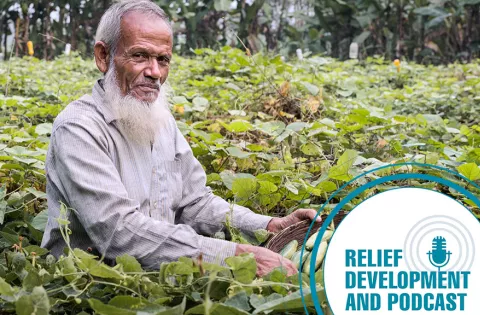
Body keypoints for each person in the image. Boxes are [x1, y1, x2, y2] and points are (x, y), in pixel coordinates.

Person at [40, 0, 320, 277]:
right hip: (91, 286)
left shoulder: (159, 120)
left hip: (162, 276)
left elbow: (195, 202)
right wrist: (236, 255)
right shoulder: (78, 127)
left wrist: (270, 225)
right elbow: (117, 231)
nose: (155, 73)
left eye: (163, 60)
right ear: (103, 57)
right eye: (140, 56)